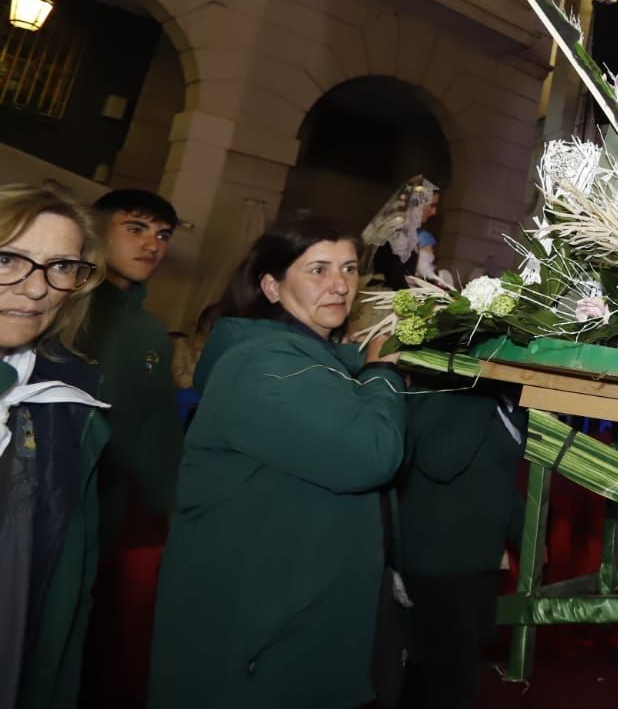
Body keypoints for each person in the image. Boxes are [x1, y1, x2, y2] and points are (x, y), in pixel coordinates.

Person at [148, 214, 406, 709]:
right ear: (270, 285)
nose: (340, 285)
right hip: (265, 620)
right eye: (318, 270)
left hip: (298, 602)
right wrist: (381, 373)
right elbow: (370, 454)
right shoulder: (262, 365)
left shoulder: (307, 359)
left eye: (350, 269)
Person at [0, 184, 107, 709]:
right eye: (7, 258)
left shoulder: (68, 405)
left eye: (61, 266)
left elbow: (69, 582)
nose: (36, 289)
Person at [398, 384, 525, 709]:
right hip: (437, 564)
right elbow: (440, 460)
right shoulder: (445, 391)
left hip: (478, 561)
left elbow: (501, 476)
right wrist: (483, 388)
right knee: (444, 685)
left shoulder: (510, 401)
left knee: (458, 684)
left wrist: (526, 534)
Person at [80, 189, 184, 544]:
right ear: (96, 231)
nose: (152, 245)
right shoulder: (62, 309)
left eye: (163, 235)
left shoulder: (151, 331)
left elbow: (158, 430)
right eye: (136, 229)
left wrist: (170, 505)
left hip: (112, 514)